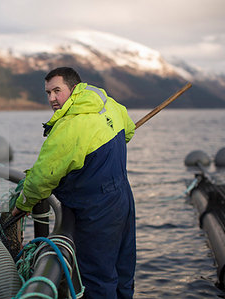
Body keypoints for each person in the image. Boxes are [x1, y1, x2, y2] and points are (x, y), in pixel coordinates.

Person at [12, 67, 136, 298]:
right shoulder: (110, 104)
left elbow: (42, 177)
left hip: (96, 208)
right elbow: (128, 131)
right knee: (123, 269)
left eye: (57, 91)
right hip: (123, 199)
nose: (52, 99)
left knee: (97, 277)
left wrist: (23, 206)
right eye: (48, 93)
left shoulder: (70, 127)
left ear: (74, 88)